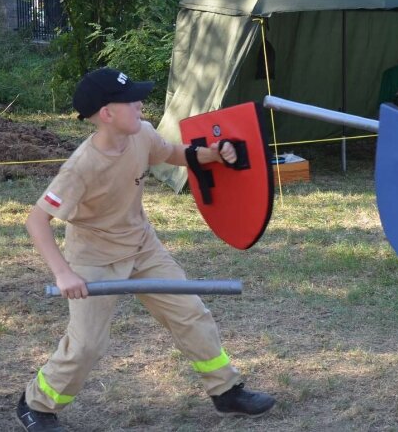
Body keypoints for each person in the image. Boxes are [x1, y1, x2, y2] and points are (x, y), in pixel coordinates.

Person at [16, 68, 275, 432]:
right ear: (107, 114)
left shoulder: (143, 134)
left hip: (142, 247)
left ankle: (226, 390)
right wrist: (63, 273)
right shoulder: (81, 166)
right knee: (87, 345)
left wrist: (214, 155)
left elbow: (173, 153)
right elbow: (36, 221)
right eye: (131, 100)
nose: (140, 103)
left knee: (190, 313)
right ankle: (35, 406)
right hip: (95, 259)